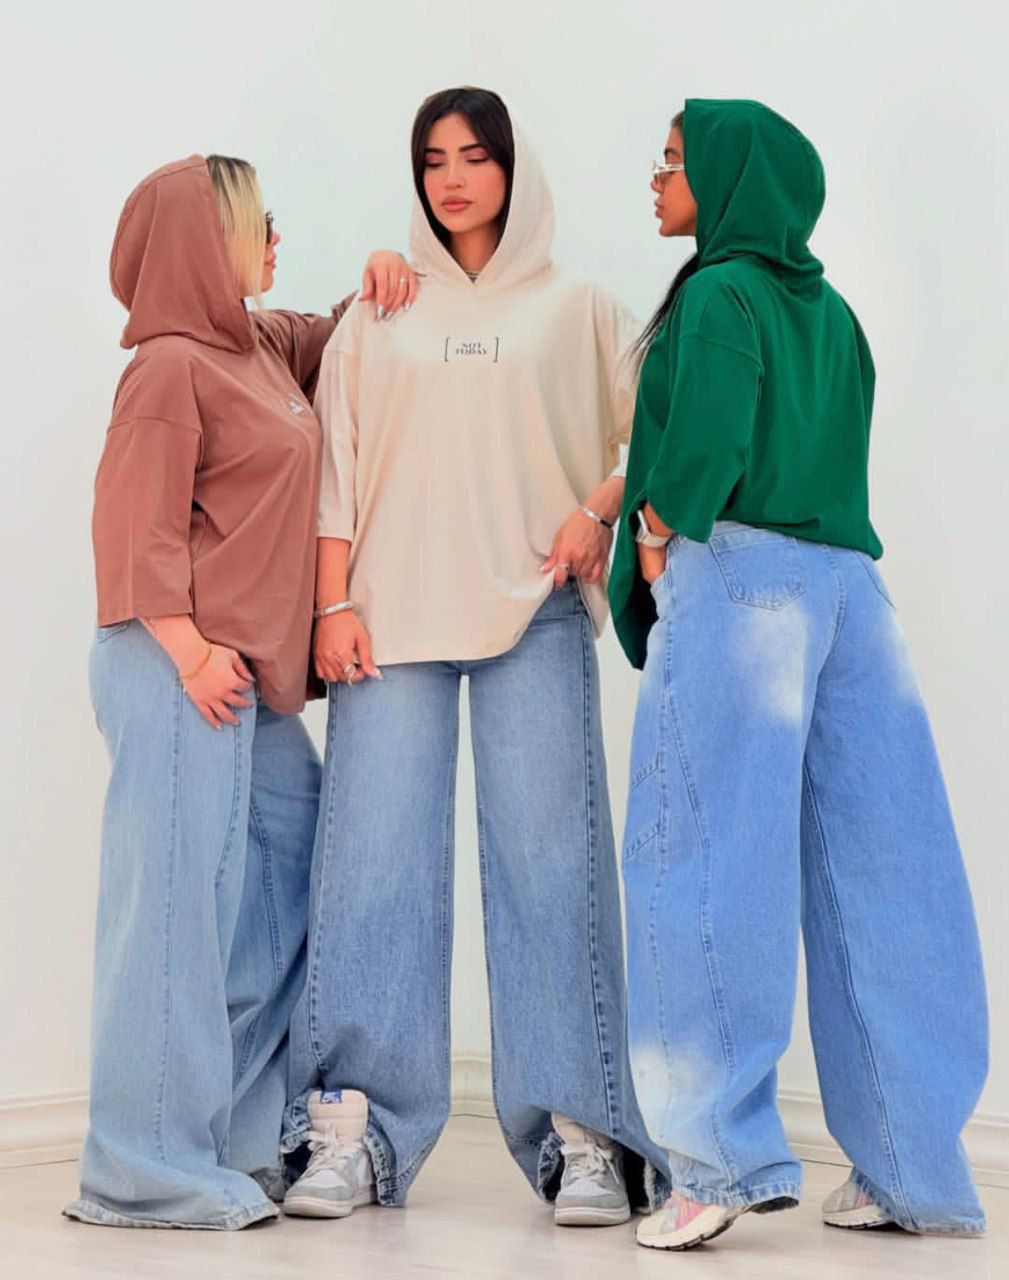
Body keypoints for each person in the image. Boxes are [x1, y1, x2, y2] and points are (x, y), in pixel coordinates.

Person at [280, 87, 670, 1226]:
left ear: (513, 168)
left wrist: (598, 510)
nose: (451, 178)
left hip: (532, 610)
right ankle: (353, 1126)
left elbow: (656, 422)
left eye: (474, 157)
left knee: (550, 871)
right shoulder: (379, 310)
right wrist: (329, 604)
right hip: (386, 620)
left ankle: (581, 1132)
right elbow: (339, 463)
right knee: (371, 872)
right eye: (433, 160)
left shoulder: (577, 306)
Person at [610, 99, 988, 1250]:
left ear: (729, 180)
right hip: (852, 596)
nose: (655, 178)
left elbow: (710, 440)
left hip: (745, 582)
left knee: (702, 852)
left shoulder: (720, 292)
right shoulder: (833, 313)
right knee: (883, 867)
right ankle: (914, 1166)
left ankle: (715, 1159)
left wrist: (657, 527)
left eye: (672, 161)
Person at [64, 152, 418, 1230]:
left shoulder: (259, 345)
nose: (274, 240)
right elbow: (131, 523)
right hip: (177, 664)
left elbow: (348, 330)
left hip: (243, 685)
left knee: (290, 876)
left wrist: (383, 267)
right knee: (174, 914)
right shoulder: (168, 366)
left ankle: (229, 1138)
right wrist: (187, 646)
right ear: (204, 241)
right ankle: (140, 1170)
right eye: (258, 225)